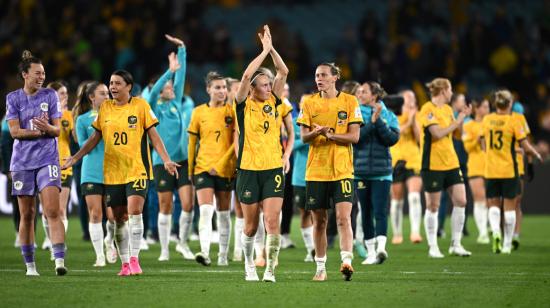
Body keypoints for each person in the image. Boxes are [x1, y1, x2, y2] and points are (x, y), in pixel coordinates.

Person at [63, 69, 179, 276]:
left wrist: (167, 159)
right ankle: (125, 263)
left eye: (117, 83)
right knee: (118, 219)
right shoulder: (105, 108)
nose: (112, 87)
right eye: (111, 83)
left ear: (128, 87)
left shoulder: (141, 106)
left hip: (137, 169)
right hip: (113, 172)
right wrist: (76, 157)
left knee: (135, 212)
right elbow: (94, 139)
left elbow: (154, 136)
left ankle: (134, 259)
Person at [234, 25, 291, 282]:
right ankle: (249, 265)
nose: (269, 88)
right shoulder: (242, 105)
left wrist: (272, 49)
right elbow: (245, 77)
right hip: (247, 169)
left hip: (272, 169)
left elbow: (283, 71)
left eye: (270, 85)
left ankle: (269, 269)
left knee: (272, 221)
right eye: (264, 85)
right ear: (253, 88)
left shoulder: (275, 102)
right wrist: (263, 52)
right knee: (250, 226)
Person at [297, 63, 363, 281]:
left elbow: (354, 137)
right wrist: (316, 133)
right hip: (316, 171)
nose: (319, 79)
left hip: (343, 170)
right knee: (320, 222)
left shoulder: (350, 101)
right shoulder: (309, 103)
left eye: (324, 75)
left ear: (335, 77)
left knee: (344, 218)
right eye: (317, 75)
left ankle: (346, 261)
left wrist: (331, 135)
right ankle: (320, 268)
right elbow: (303, 137)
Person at [6, 50, 67, 276]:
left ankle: (59, 260)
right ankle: (30, 265)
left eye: (43, 73)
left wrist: (47, 130)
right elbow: (14, 132)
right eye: (37, 73)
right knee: (27, 214)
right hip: (22, 162)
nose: (41, 77)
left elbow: (56, 129)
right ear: (24, 74)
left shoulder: (50, 95)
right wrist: (38, 132)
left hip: (47, 159)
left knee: (53, 209)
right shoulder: (13, 98)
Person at [147, 35, 195, 261]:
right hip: (162, 162)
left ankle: (183, 243)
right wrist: (168, 72)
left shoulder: (176, 103)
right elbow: (155, 89)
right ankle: (165, 249)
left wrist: (182, 50)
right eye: (169, 86)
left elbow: (181, 75)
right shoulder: (152, 108)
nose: (173, 88)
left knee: (187, 203)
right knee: (165, 205)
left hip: (183, 161)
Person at [483, 90, 542, 254]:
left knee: (493, 205)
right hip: (509, 169)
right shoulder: (514, 121)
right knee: (511, 207)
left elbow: (483, 143)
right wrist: (535, 154)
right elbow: (525, 145)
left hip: (491, 169)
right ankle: (507, 244)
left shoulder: (487, 120)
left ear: (495, 104)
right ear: (510, 104)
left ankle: (496, 233)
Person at [418, 78, 471, 258]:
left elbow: (457, 135)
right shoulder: (427, 109)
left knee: (461, 200)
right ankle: (433, 246)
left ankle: (456, 244)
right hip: (432, 164)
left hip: (451, 162)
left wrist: (461, 119)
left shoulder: (448, 110)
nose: (451, 93)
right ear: (443, 91)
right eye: (450, 90)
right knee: (433, 205)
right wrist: (457, 121)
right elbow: (437, 134)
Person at [188, 71, 236, 266]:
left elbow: (236, 143)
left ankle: (223, 255)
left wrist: (222, 164)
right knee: (206, 211)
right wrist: (191, 169)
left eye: (224, 87)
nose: (222, 91)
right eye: (217, 87)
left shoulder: (232, 112)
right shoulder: (198, 112)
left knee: (224, 214)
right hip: (203, 168)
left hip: (224, 169)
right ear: (208, 89)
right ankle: (205, 252)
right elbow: (192, 142)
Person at [73, 81, 118, 266]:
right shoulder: (83, 120)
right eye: (102, 94)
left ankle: (109, 240)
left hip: (113, 170)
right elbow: (82, 145)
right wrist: (99, 132)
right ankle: (99, 256)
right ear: (92, 97)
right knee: (95, 214)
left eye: (107, 93)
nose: (107, 96)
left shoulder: (117, 115)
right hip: (91, 171)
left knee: (114, 216)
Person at [354, 82, 399, 265]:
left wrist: (378, 119)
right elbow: (357, 139)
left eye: (364, 91)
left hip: (382, 171)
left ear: (374, 96)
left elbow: (391, 139)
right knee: (365, 212)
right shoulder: (355, 113)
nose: (360, 93)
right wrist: (372, 122)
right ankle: (370, 252)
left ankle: (381, 248)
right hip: (361, 171)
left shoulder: (389, 114)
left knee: (380, 211)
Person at [389, 90, 423, 245]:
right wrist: (408, 121)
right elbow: (395, 133)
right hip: (395, 159)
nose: (411, 100)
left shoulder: (417, 115)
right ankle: (397, 233)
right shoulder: (392, 115)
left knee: (414, 196)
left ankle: (415, 231)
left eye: (413, 98)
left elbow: (419, 138)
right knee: (397, 199)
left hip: (413, 159)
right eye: (408, 97)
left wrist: (413, 118)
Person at [46, 82, 72, 240]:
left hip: (64, 164)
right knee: (49, 209)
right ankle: (49, 239)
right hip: (45, 164)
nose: (66, 96)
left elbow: (75, 140)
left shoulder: (69, 115)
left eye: (66, 93)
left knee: (61, 209)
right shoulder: (44, 114)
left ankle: (59, 243)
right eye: (62, 93)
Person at [462, 99, 490, 244]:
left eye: (488, 107)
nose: (488, 109)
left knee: (493, 200)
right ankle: (483, 232)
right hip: (476, 165)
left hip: (493, 165)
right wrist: (478, 139)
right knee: (480, 199)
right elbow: (467, 148)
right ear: (477, 109)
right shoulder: (469, 125)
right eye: (485, 106)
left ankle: (493, 227)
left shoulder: (492, 123)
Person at [292, 94, 315, 262]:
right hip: (300, 175)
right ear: (299, 104)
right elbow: (292, 145)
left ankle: (317, 247)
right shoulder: (294, 123)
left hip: (318, 173)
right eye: (303, 101)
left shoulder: (321, 120)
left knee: (318, 213)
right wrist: (311, 136)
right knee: (305, 213)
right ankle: (310, 250)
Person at [226, 77, 245, 262]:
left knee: (243, 207)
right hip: (224, 167)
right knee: (229, 209)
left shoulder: (241, 109)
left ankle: (242, 249)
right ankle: (234, 249)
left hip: (240, 164)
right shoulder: (224, 110)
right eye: (237, 88)